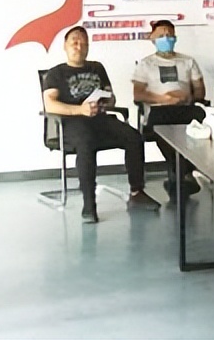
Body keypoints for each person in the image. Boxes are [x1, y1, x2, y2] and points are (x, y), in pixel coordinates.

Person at [43, 26, 161, 224]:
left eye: (83, 42)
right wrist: (80, 110)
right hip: (72, 123)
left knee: (134, 137)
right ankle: (89, 203)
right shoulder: (56, 73)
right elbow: (50, 104)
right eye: (74, 42)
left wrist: (107, 102)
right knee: (86, 143)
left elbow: (111, 96)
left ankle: (137, 193)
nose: (79, 46)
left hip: (100, 119)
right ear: (65, 46)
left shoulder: (97, 68)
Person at [132, 20, 207, 200]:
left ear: (175, 38)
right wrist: (164, 99)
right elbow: (138, 94)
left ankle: (180, 175)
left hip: (185, 108)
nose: (166, 38)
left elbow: (199, 90)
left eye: (169, 35)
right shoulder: (145, 64)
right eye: (161, 35)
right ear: (152, 39)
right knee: (162, 126)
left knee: (202, 117)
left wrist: (187, 97)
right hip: (160, 110)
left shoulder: (188, 61)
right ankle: (185, 173)